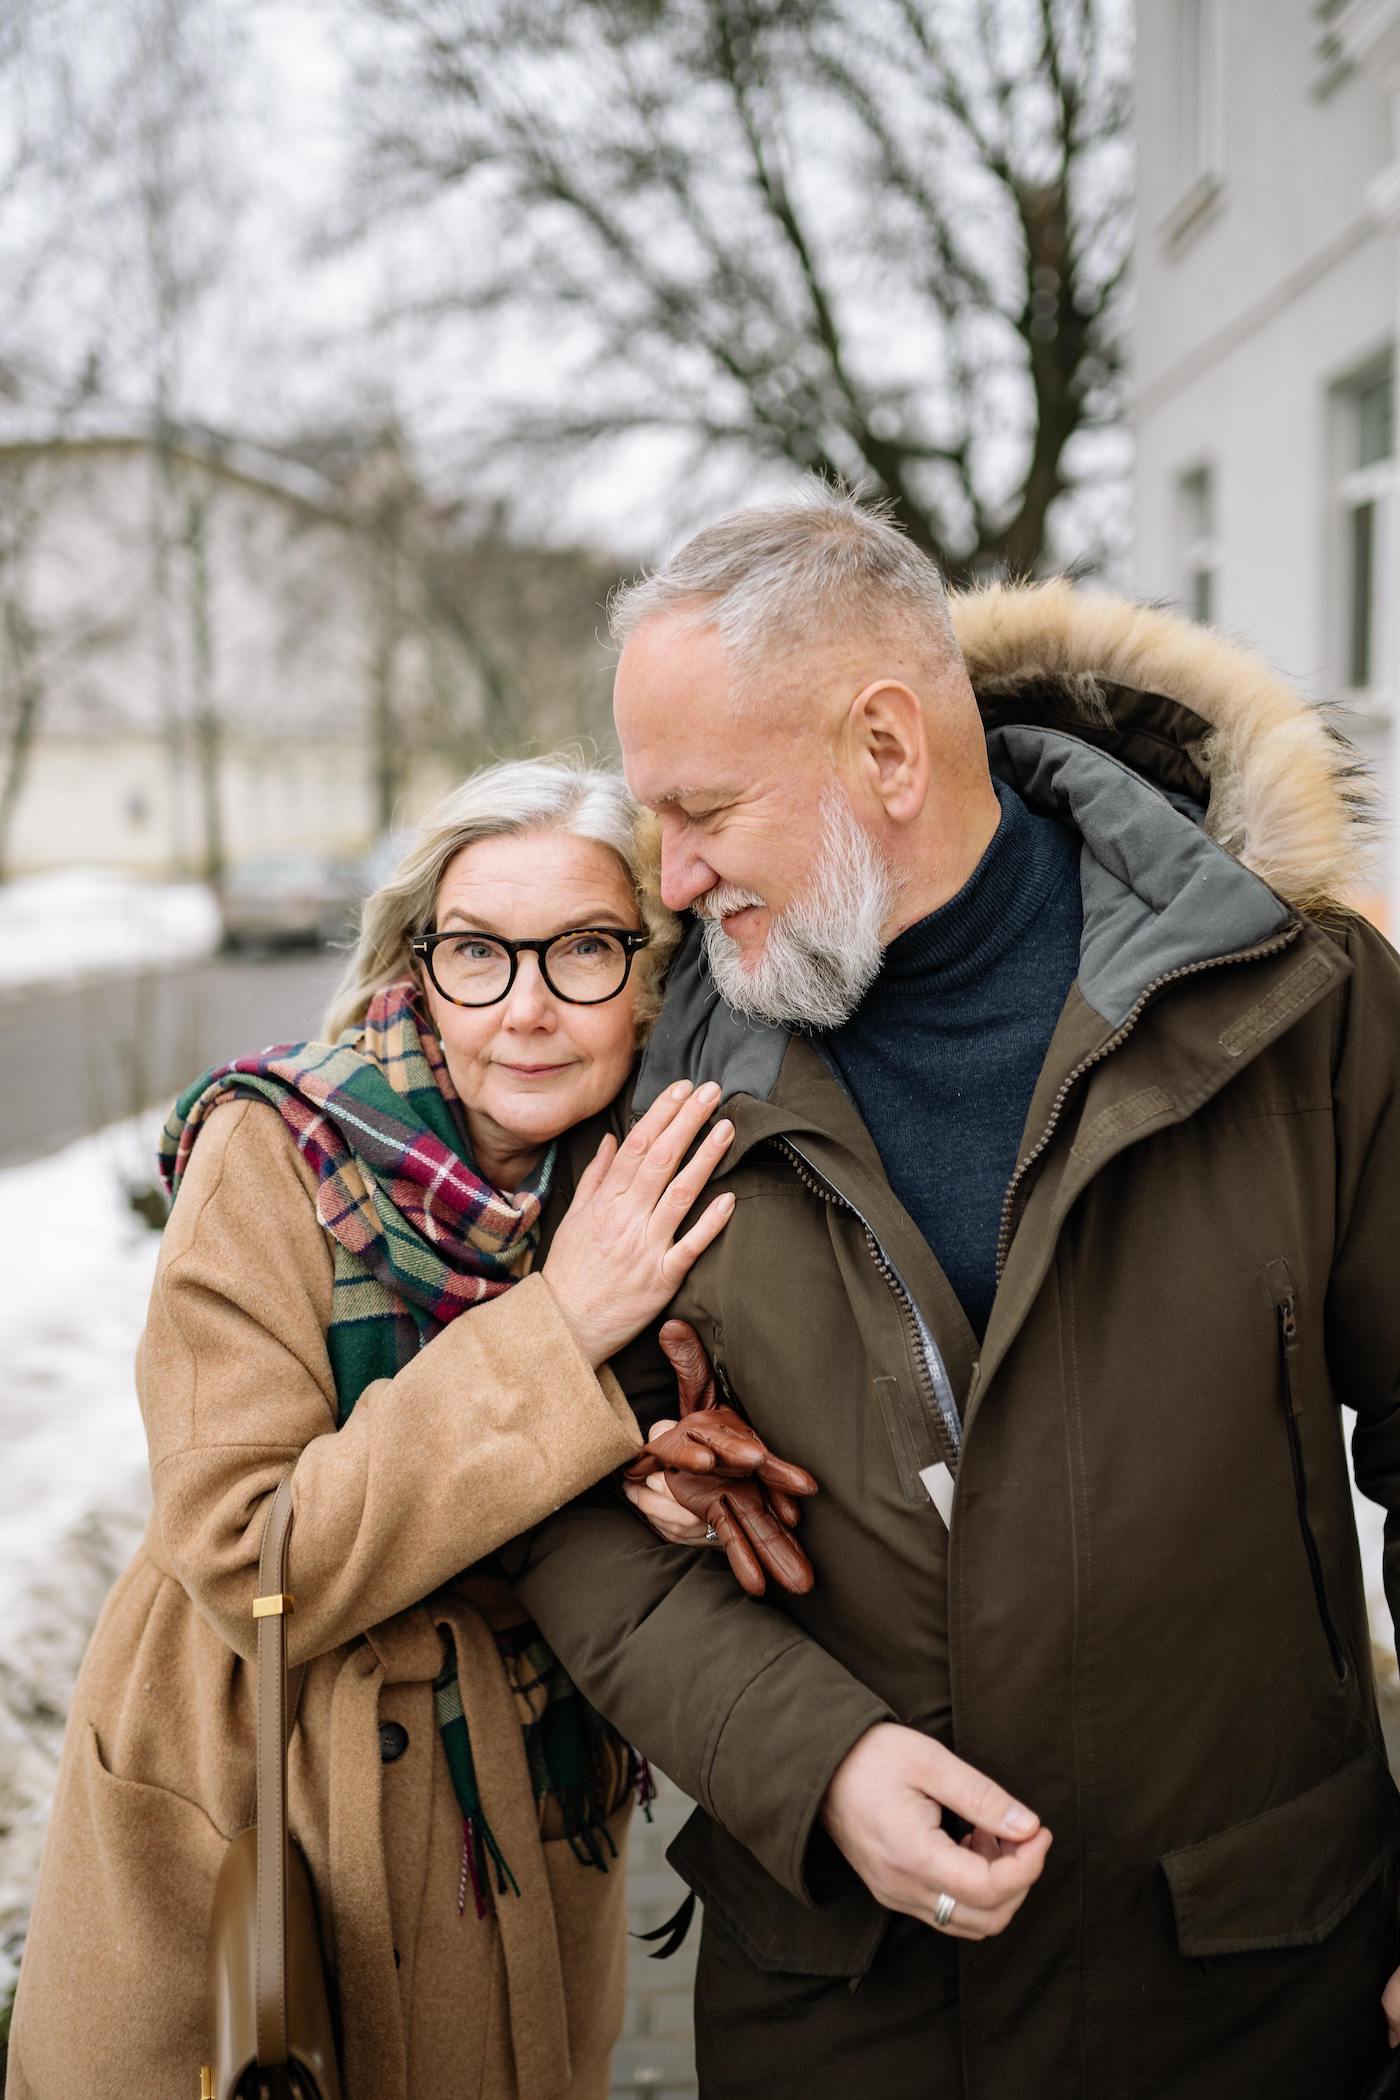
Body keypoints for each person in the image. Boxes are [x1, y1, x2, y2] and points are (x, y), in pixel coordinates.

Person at [502, 486, 1400, 2100]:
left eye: (703, 810)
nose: (673, 879)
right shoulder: (656, 1080)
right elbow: (562, 1509)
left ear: (888, 751)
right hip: (850, 2018)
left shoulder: (1298, 1004)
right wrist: (813, 1758)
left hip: (1253, 1997)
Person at [6, 758, 812, 2100]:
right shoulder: (272, 1155)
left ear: (655, 973)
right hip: (259, 1803)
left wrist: (655, 1487)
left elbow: (597, 1458)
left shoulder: (638, 1176)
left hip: (529, 1799)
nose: (531, 1010)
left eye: (588, 952)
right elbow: (248, 1554)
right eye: (481, 953)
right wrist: (561, 1332)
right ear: (420, 963)